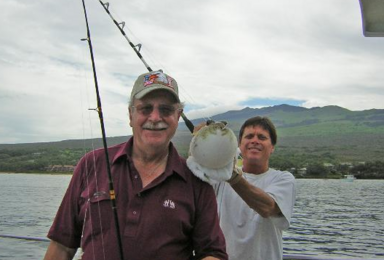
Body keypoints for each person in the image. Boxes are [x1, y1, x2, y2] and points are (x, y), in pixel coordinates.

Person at [44, 70, 228, 260]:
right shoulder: (90, 164)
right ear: (131, 115)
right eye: (145, 108)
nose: (155, 117)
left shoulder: (196, 179)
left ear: (178, 116)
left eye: (166, 110)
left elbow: (213, 253)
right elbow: (62, 246)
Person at [189, 116, 296, 260]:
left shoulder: (283, 179)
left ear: (272, 147)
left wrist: (232, 176)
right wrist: (200, 143)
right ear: (239, 144)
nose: (255, 141)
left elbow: (268, 207)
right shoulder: (219, 178)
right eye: (249, 136)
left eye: (262, 137)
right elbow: (196, 178)